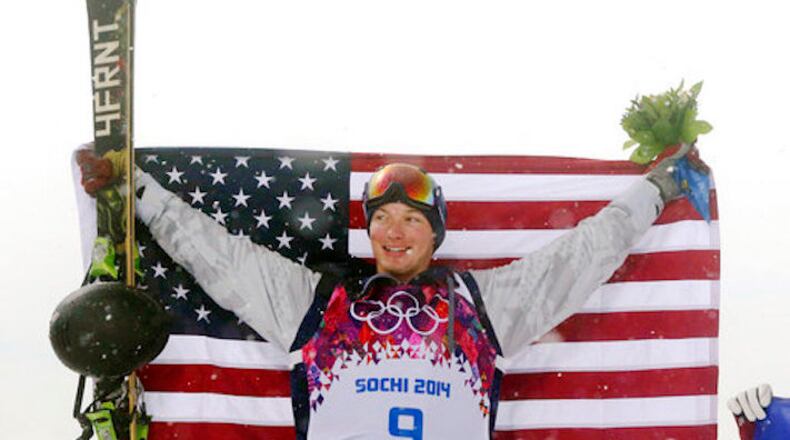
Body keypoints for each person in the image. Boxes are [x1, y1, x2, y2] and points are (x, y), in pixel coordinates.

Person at [78, 147, 690, 439]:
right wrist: (135, 190)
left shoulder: (483, 305)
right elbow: (218, 256)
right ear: (368, 229)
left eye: (412, 220)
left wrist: (657, 188)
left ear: (436, 233)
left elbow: (581, 256)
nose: (394, 233)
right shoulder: (318, 305)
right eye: (382, 218)